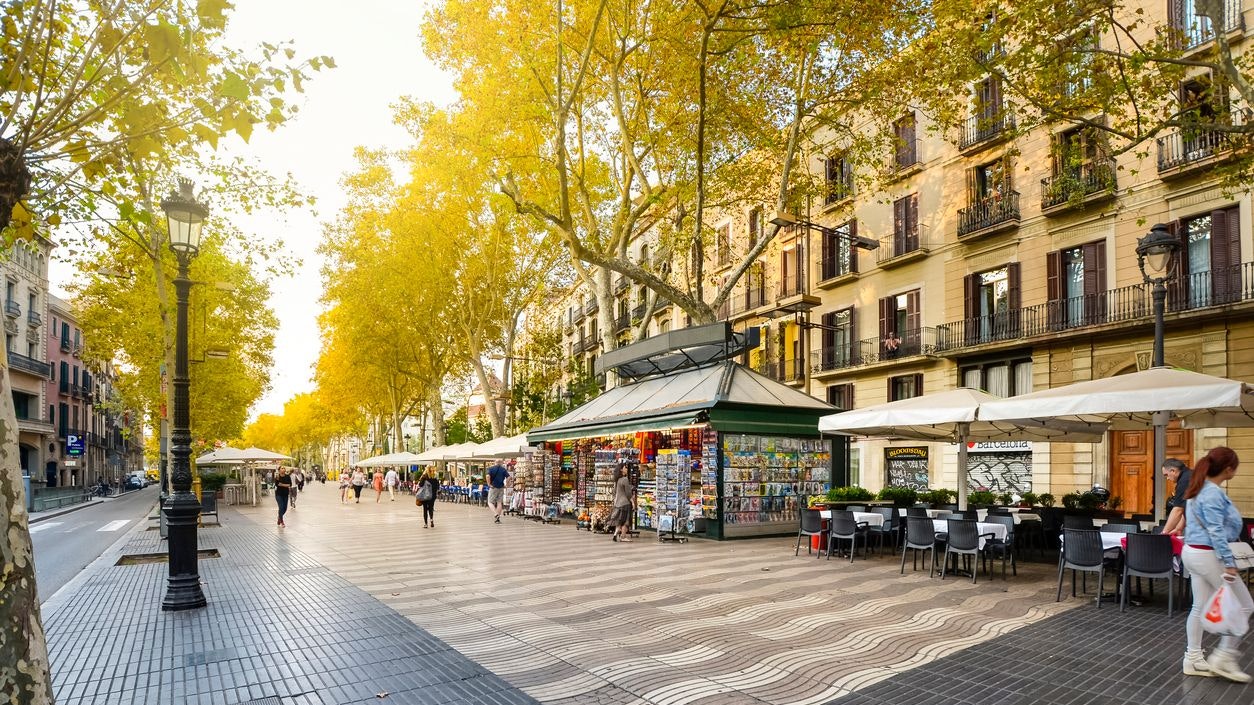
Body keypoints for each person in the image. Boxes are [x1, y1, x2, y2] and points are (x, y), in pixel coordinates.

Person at [1181, 446, 1249, 682]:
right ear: (1228, 469)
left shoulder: (1198, 488)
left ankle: (1193, 658)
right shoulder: (1212, 493)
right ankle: (1224, 655)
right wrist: (1229, 563)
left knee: (1199, 606)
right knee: (1245, 605)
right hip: (1208, 555)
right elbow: (1216, 530)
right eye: (1235, 469)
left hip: (1193, 552)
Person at [1162, 458, 1192, 536]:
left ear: (1173, 471)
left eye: (1166, 475)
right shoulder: (1189, 475)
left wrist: (1163, 534)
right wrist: (1179, 528)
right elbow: (1186, 507)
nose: (1167, 478)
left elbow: (1178, 510)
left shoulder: (1184, 481)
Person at [610, 466, 635, 543]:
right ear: (621, 470)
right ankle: (623, 536)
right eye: (625, 467)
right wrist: (633, 502)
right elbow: (628, 493)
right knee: (625, 521)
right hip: (625, 503)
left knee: (619, 520)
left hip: (618, 503)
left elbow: (614, 492)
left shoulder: (617, 480)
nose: (626, 469)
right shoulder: (625, 479)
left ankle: (615, 534)